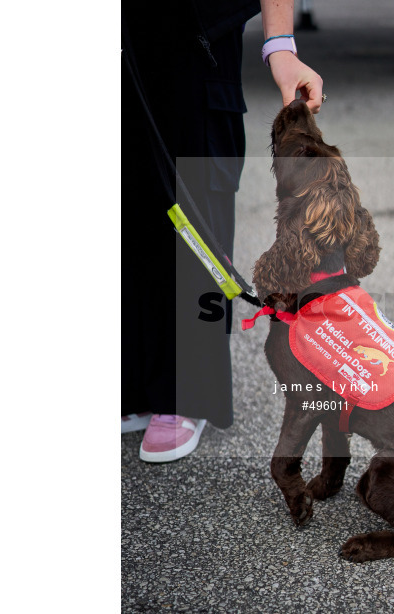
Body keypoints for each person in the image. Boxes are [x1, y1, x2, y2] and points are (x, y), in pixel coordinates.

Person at [122, 1, 324, 462]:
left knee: (194, 204)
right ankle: (131, 381)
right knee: (124, 200)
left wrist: (280, 45)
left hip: (193, 38)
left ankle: (185, 393)